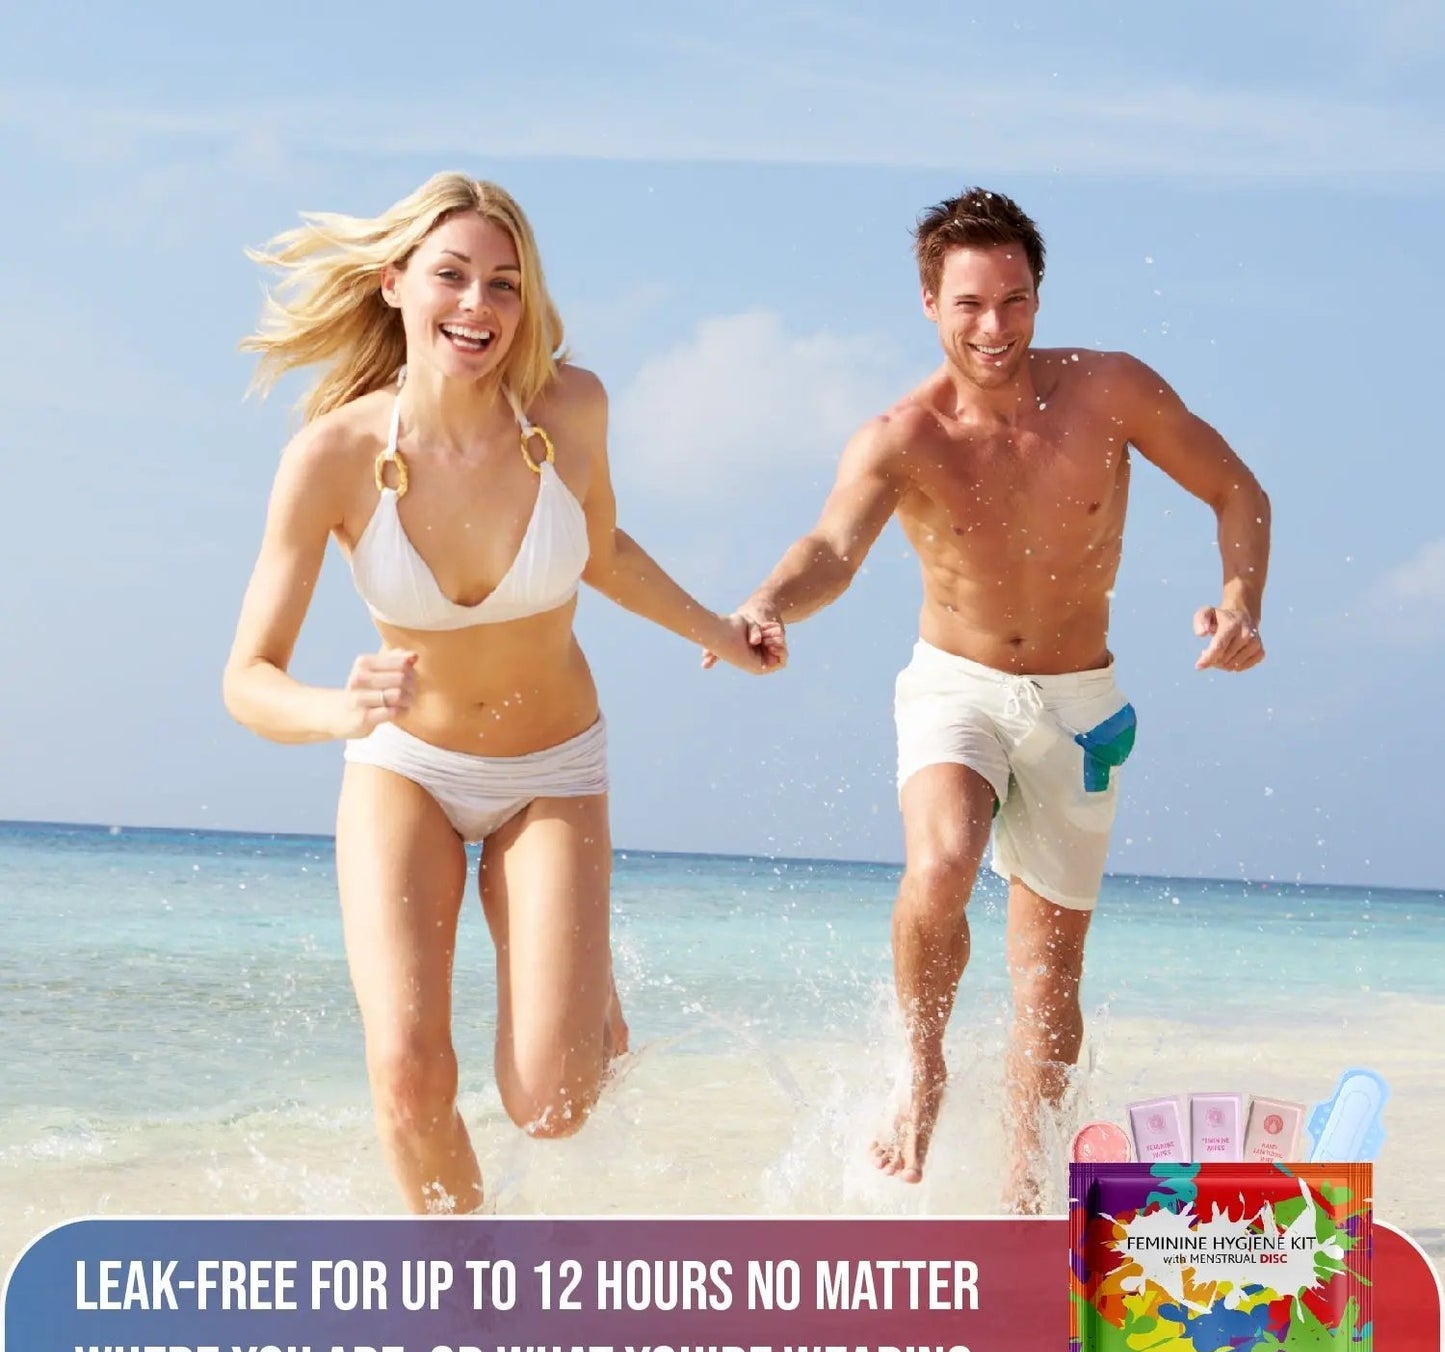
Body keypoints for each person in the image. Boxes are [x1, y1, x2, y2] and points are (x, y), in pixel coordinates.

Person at [223, 172, 785, 1214]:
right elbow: (246, 677)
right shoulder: (333, 458)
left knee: (553, 1104)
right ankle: (464, 1294)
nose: (477, 306)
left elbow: (601, 545)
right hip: (406, 768)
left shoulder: (570, 409)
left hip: (551, 767)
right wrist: (334, 711)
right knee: (406, 1070)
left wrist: (720, 630)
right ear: (394, 283)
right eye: (451, 276)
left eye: (504, 284)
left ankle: (584, 1016)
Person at [716, 188, 1270, 1209]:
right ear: (928, 302)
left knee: (1046, 983)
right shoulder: (900, 435)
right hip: (955, 686)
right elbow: (832, 548)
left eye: (1013, 301)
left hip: (1079, 699)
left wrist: (1238, 598)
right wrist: (767, 600)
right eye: (969, 303)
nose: (993, 327)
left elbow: (1236, 487)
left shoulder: (1109, 391)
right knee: (941, 860)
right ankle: (920, 1063)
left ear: (1036, 296)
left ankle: (1019, 1200)